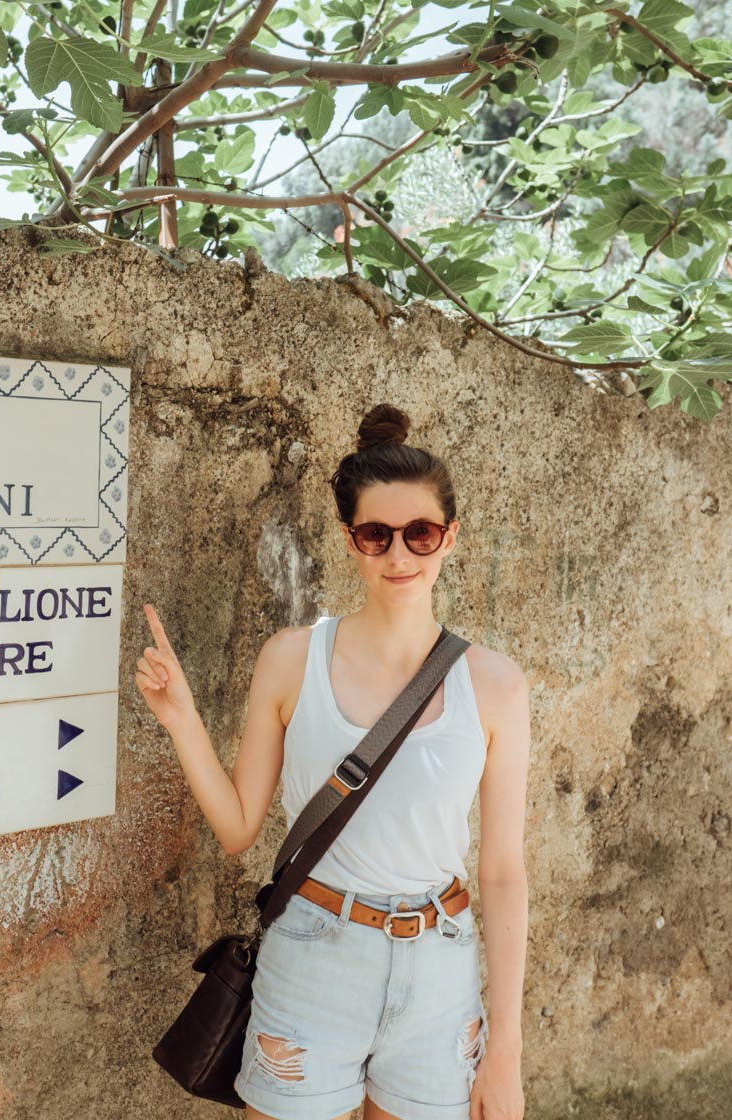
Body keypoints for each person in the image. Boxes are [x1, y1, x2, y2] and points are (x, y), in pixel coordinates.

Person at [136, 403, 530, 1120]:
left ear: (451, 539)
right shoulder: (292, 660)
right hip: (315, 951)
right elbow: (237, 827)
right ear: (351, 539)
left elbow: (504, 872)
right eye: (377, 535)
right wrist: (183, 721)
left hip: (440, 968)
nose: (400, 556)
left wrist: (506, 1049)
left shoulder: (496, 684)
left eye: (421, 533)